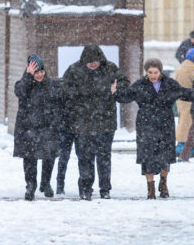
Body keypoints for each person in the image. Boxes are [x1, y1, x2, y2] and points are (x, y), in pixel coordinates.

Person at [113, 58, 194, 199]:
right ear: (146, 72)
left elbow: (184, 93)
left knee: (165, 155)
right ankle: (150, 188)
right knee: (147, 156)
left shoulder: (169, 84)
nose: (153, 75)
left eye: (156, 72)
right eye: (150, 72)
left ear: (160, 71)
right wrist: (115, 92)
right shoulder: (140, 85)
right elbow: (125, 96)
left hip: (165, 124)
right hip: (146, 124)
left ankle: (163, 182)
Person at [62, 45, 129, 200]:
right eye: (89, 61)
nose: (93, 64)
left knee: (104, 157)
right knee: (85, 157)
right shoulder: (74, 70)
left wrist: (116, 87)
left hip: (105, 122)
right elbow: (65, 90)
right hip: (82, 122)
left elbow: (124, 81)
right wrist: (79, 96)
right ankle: (85, 188)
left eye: (96, 61)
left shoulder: (110, 68)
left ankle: (105, 189)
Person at [13, 54, 64, 200]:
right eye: (36, 72)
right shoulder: (24, 84)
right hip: (28, 128)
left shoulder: (51, 85)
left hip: (48, 127)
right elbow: (19, 91)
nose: (40, 75)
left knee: (49, 157)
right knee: (30, 159)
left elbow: (59, 101)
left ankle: (45, 183)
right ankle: (30, 185)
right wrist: (28, 76)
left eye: (42, 72)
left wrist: (56, 121)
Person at [174, 48, 194, 158]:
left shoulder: (181, 67)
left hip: (180, 100)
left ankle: (191, 147)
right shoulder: (193, 69)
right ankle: (182, 147)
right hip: (190, 100)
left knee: (185, 122)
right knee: (187, 124)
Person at [55, 78, 74, 195]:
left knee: (64, 158)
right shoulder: (62, 87)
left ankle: (60, 185)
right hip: (68, 127)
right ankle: (60, 185)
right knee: (64, 158)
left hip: (71, 127)